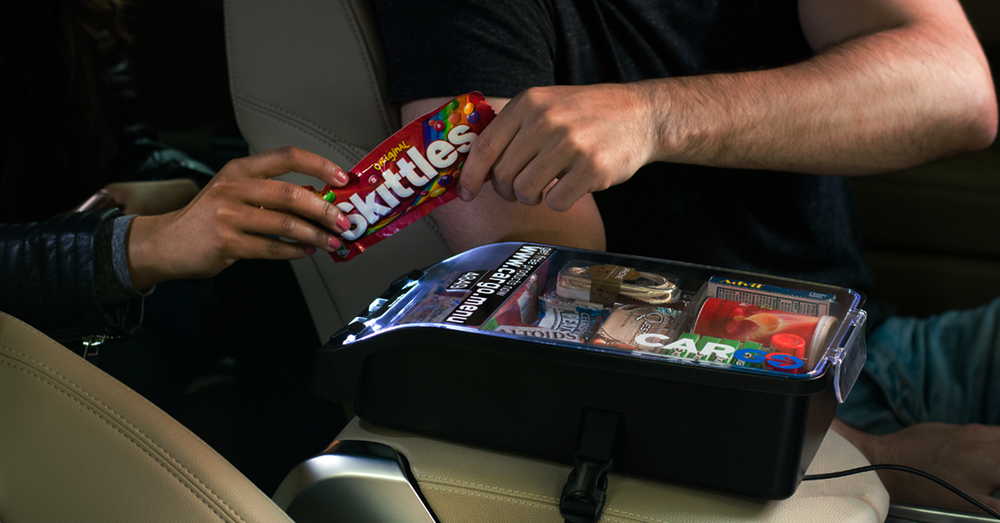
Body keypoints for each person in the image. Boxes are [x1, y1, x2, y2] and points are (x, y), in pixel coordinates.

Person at [370, 0, 1000, 512]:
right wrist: (876, 459)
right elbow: (561, 328)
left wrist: (654, 117)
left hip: (878, 347)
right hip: (756, 414)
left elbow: (956, 89)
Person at [0, 0, 351, 493]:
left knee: (271, 259)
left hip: (82, 251)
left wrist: (179, 189)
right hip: (34, 306)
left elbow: (121, 141)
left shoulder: (64, 17)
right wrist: (136, 244)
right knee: (121, 362)